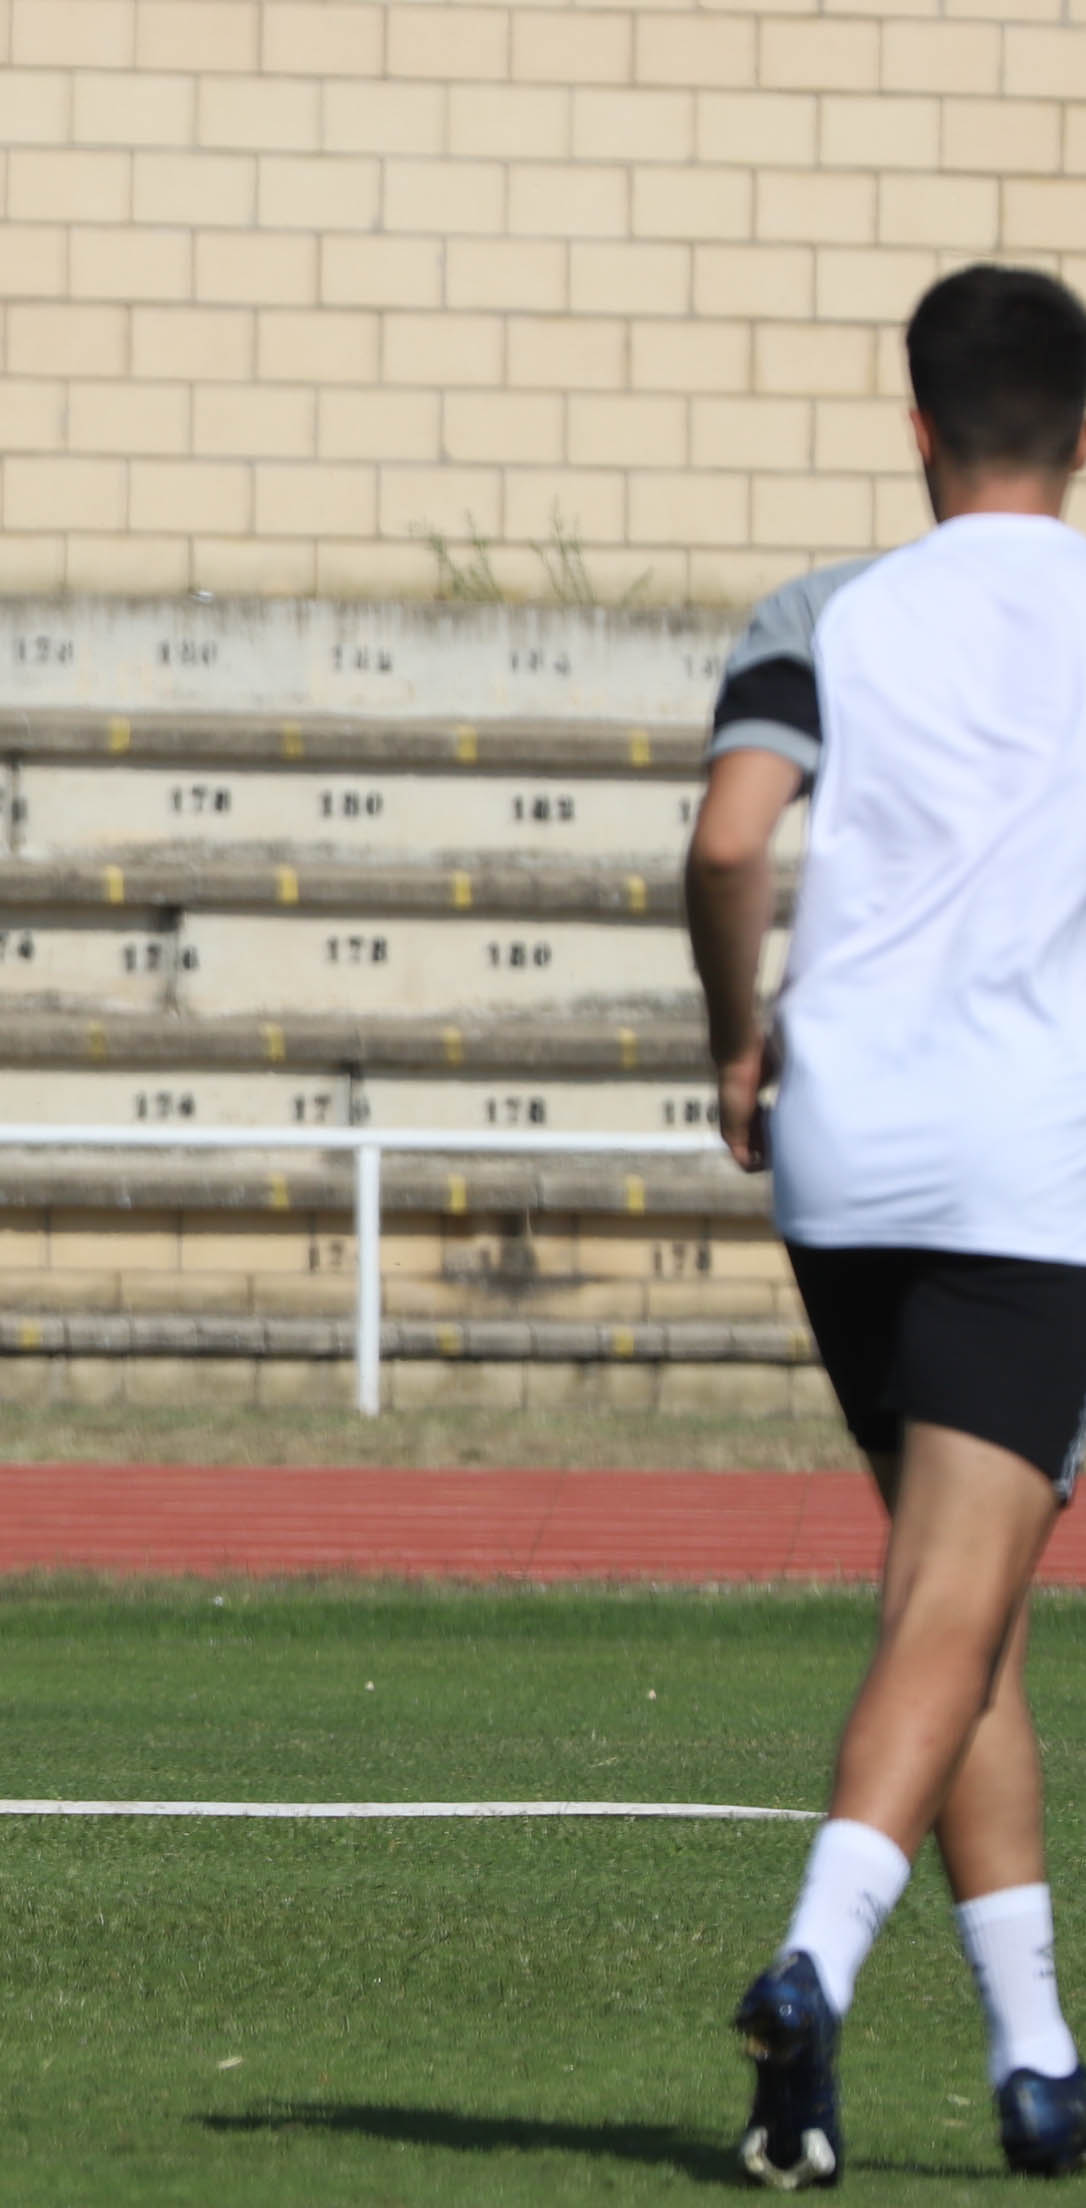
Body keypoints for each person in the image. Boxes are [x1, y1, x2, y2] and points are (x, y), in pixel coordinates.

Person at [692, 262, 1086, 2187]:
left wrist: (734, 1034)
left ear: (914, 424)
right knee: (957, 1588)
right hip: (1029, 1162)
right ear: (1080, 433)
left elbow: (725, 836)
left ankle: (1034, 2058)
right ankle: (810, 1954)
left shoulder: (821, 611)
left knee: (962, 1582)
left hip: (840, 1150)